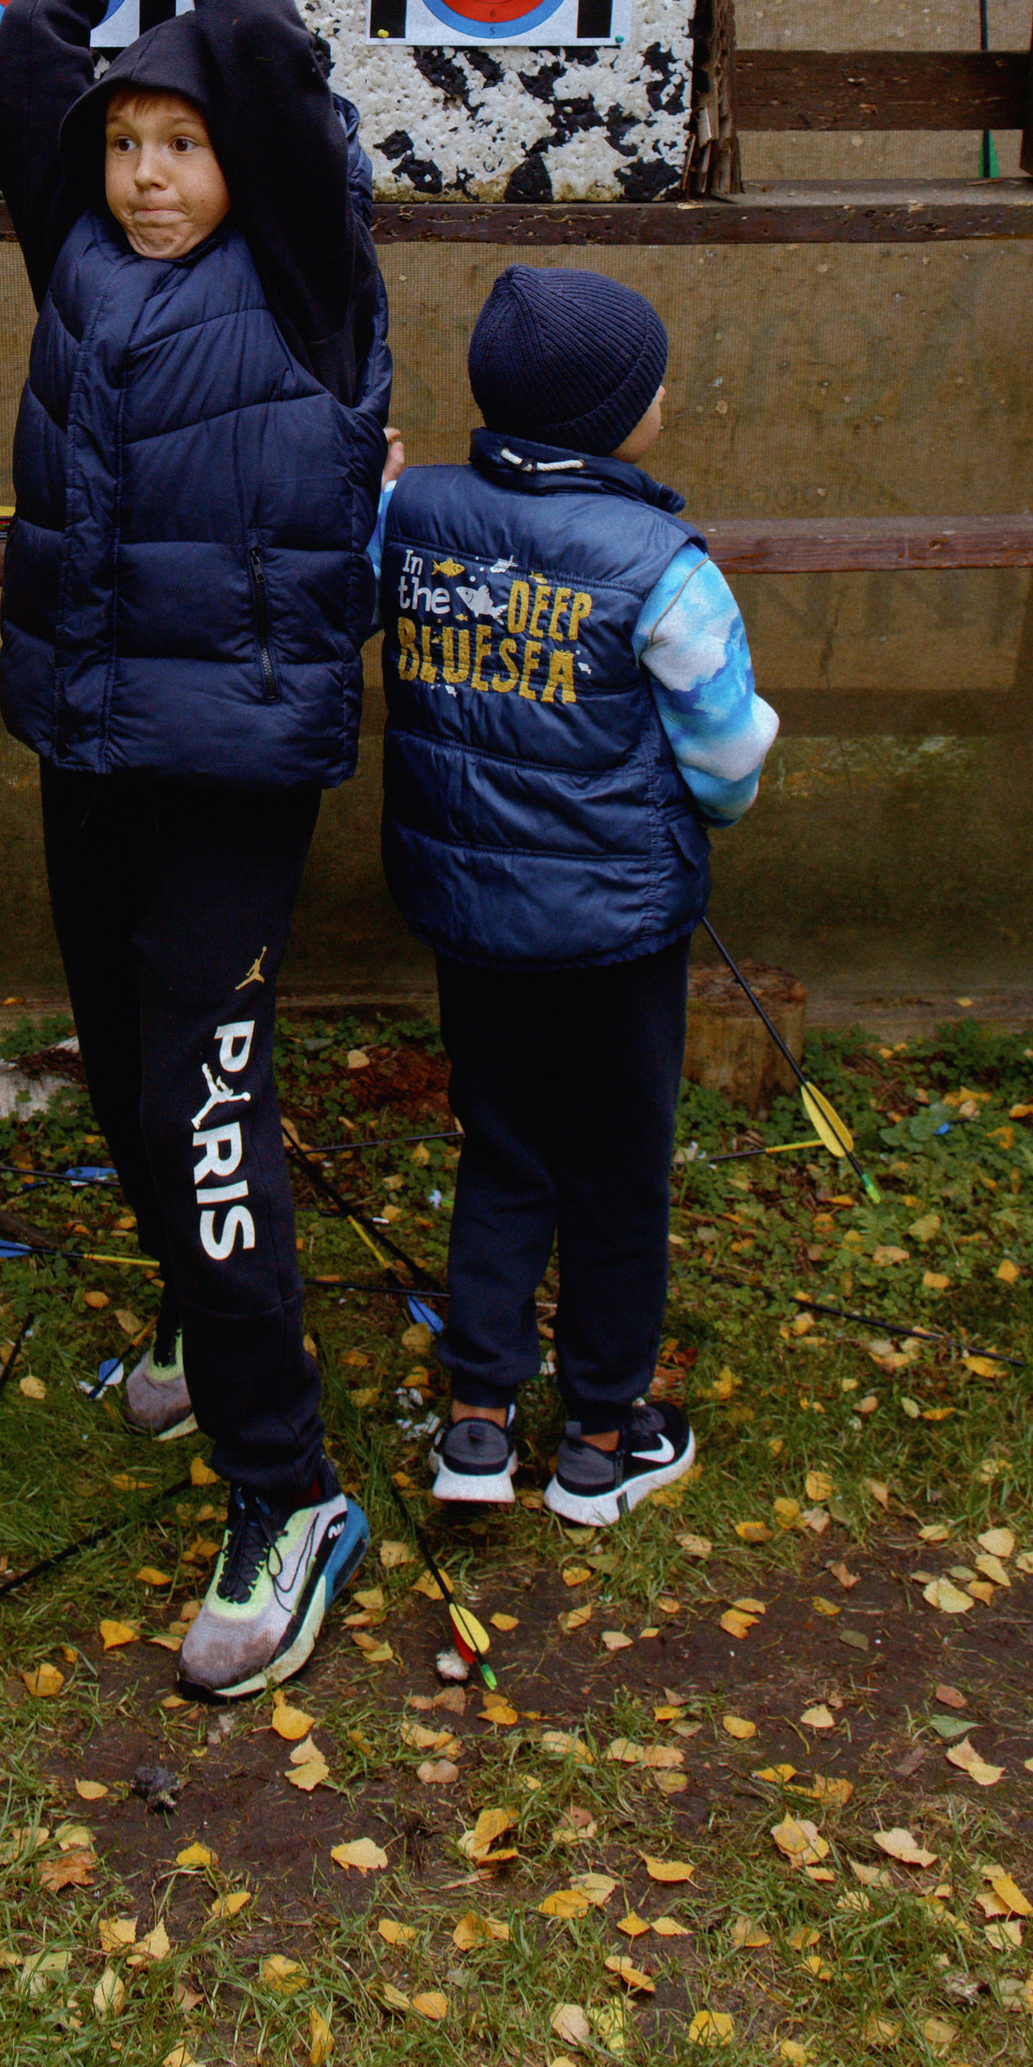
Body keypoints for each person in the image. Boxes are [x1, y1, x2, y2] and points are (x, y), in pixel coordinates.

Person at [0, 0, 393, 1693]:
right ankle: (201, 1318)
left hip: (233, 767)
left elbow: (273, 62)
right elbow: (30, 59)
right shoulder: (74, 258)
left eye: (184, 146)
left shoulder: (308, 275)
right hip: (92, 750)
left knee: (199, 1111)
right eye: (132, 147)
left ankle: (288, 1488)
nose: (150, 176)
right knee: (123, 1074)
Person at [374, 265, 778, 1526]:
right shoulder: (661, 563)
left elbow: (342, 581)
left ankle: (478, 1422)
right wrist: (698, 821)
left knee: (503, 1147)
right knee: (616, 1169)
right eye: (646, 379)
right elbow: (725, 749)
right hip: (615, 932)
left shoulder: (415, 517)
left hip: (471, 918)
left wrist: (372, 490)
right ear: (618, 416)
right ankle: (605, 1433)